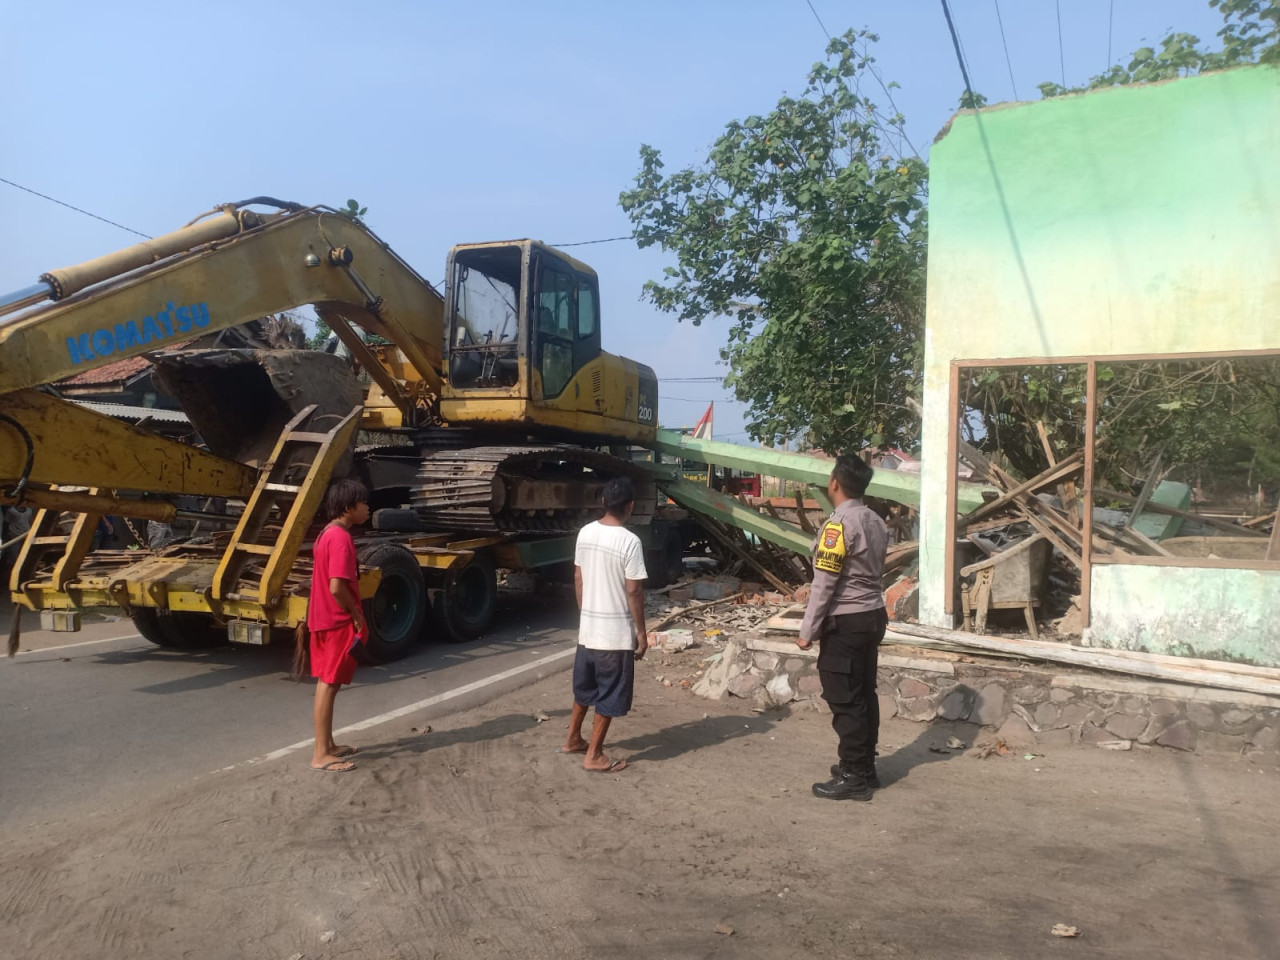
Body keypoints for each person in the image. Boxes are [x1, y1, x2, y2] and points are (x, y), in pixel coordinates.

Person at [796, 454, 889, 801]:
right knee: (864, 694)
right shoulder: (876, 521)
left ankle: (853, 777)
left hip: (846, 621)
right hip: (872, 615)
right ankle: (863, 766)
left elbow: (824, 582)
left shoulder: (838, 525)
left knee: (845, 699)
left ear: (834, 482)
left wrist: (808, 630)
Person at [561, 475, 648, 772]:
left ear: (603, 502)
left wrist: (586, 614)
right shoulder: (630, 542)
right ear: (630, 506)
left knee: (584, 688)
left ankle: (573, 738)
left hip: (589, 630)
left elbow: (578, 577)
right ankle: (594, 755)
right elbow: (634, 590)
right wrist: (641, 632)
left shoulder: (585, 533)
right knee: (609, 694)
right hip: (614, 636)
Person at [304, 478, 369, 773]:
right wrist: (356, 614)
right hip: (336, 620)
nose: (367, 508)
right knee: (329, 685)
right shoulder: (340, 538)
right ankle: (320, 755)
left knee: (327, 682)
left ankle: (327, 745)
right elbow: (336, 587)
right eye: (363, 503)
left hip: (322, 618)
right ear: (348, 507)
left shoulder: (326, 534)